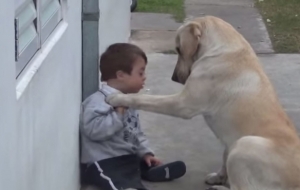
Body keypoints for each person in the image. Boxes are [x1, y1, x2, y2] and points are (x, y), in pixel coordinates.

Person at [79, 43, 186, 190]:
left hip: (127, 159)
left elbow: (135, 133)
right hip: (104, 162)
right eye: (140, 73)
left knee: (135, 166)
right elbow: (94, 131)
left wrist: (145, 153)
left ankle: (148, 169)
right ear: (121, 75)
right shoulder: (97, 101)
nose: (144, 78)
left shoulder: (129, 101)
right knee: (119, 181)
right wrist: (118, 113)